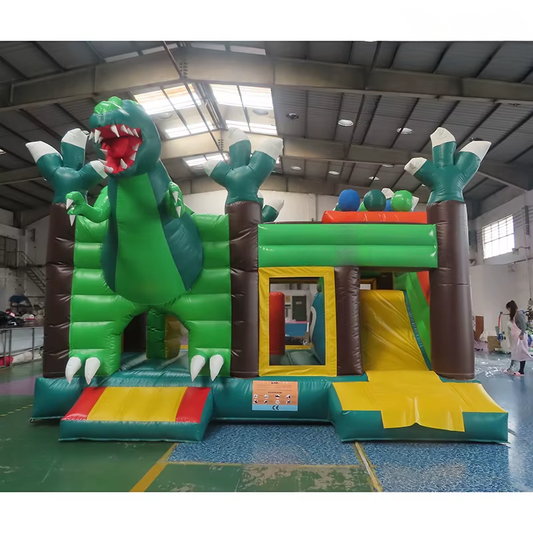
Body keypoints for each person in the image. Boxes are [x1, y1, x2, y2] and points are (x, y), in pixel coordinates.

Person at [505, 300, 533, 376]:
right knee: (514, 353)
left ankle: (521, 371)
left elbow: (523, 325)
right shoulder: (515, 314)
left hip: (521, 337)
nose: (508, 311)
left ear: (511, 308)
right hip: (517, 338)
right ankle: (510, 368)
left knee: (522, 354)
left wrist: (521, 334)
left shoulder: (519, 314)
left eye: (509, 309)